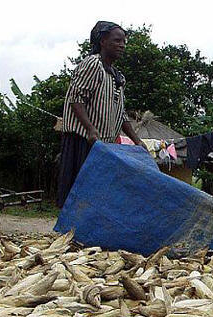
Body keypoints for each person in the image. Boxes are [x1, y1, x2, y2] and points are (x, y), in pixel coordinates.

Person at [57, 21, 144, 207]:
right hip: (84, 140)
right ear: (103, 41)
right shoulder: (92, 64)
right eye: (117, 40)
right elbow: (76, 98)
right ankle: (71, 231)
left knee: (97, 192)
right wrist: (90, 129)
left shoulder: (117, 77)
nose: (122, 45)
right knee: (79, 191)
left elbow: (120, 115)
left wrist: (137, 140)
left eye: (124, 42)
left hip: (104, 145)